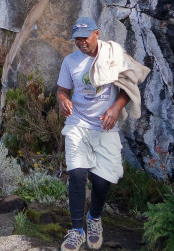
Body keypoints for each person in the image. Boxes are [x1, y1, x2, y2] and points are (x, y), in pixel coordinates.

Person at [56, 17, 151, 251]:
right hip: (78, 124)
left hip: (105, 127)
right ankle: (77, 230)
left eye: (84, 38)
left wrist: (115, 108)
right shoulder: (70, 61)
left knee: (102, 181)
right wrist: (63, 100)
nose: (81, 43)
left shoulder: (113, 55)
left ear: (96, 33)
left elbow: (129, 87)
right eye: (77, 39)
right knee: (77, 175)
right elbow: (62, 90)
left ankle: (94, 218)